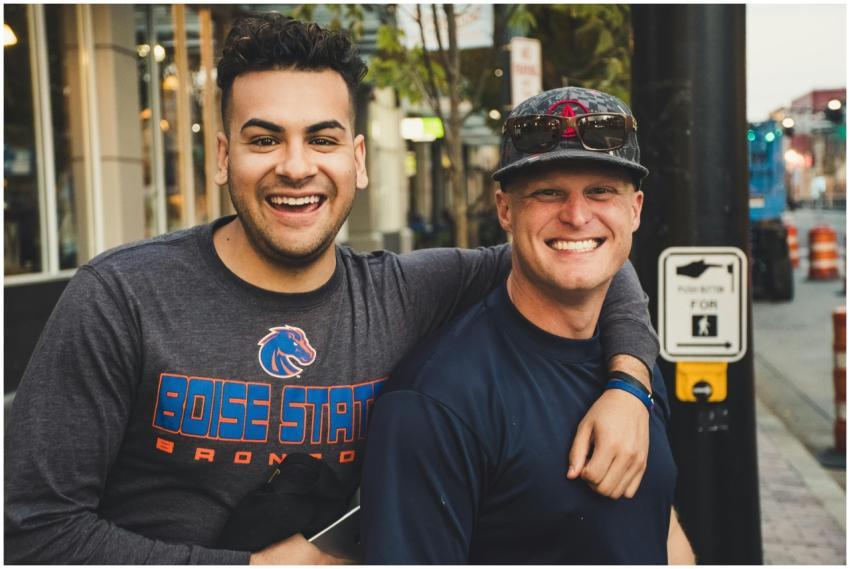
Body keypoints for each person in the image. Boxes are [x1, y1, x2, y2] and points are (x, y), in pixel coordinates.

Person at [5, 15, 658, 565]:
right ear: (224, 157)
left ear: (359, 160)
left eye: (322, 138)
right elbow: (30, 527)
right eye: (265, 139)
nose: (296, 165)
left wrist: (629, 384)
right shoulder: (121, 297)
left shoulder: (401, 291)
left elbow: (576, 250)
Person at [361, 87, 695, 564]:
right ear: (505, 211)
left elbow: (657, 522)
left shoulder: (631, 367)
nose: (577, 216)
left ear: (634, 210)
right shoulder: (436, 403)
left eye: (600, 191)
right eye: (548, 192)